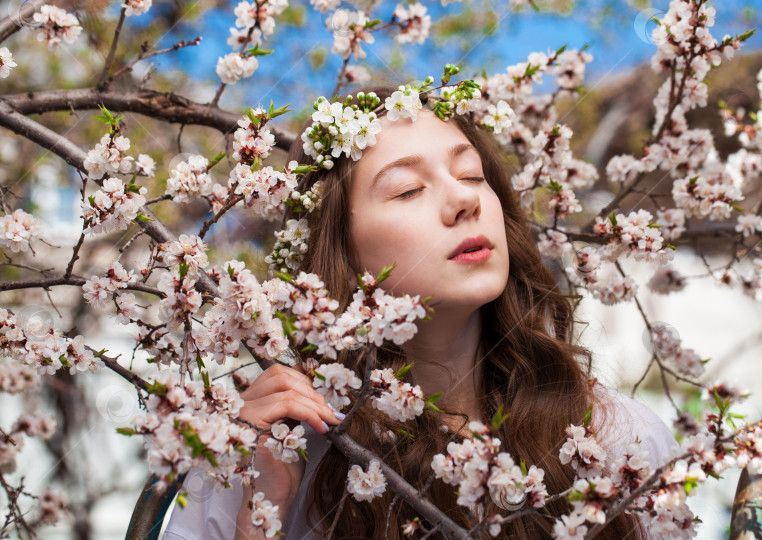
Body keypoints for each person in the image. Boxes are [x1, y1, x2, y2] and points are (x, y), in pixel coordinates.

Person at [163, 85, 678, 539]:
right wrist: (259, 518)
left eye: (472, 175)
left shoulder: (616, 441)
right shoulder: (266, 452)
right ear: (339, 248)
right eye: (408, 189)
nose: (463, 200)